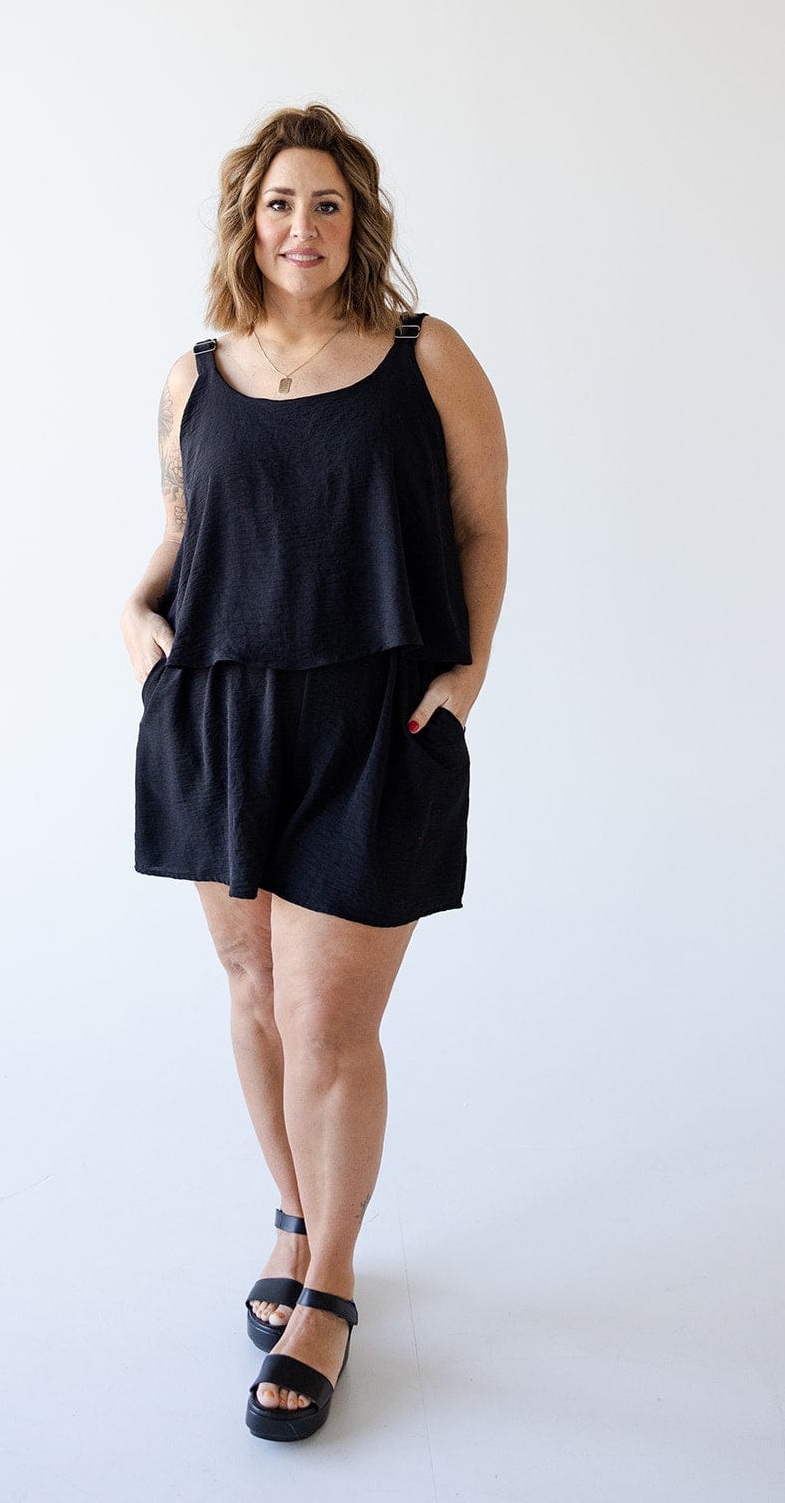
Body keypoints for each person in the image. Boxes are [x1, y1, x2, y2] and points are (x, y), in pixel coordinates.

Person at [119, 102, 508, 1441]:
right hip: (220, 716)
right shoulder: (196, 373)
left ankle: (328, 1284)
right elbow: (186, 530)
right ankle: (295, 1212)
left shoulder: (425, 354)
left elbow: (479, 527)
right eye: (281, 203)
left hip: (372, 724)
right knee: (251, 990)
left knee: (331, 1024)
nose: (303, 227)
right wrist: (136, 617)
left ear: (361, 220)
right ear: (249, 219)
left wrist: (465, 682)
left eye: (328, 203)